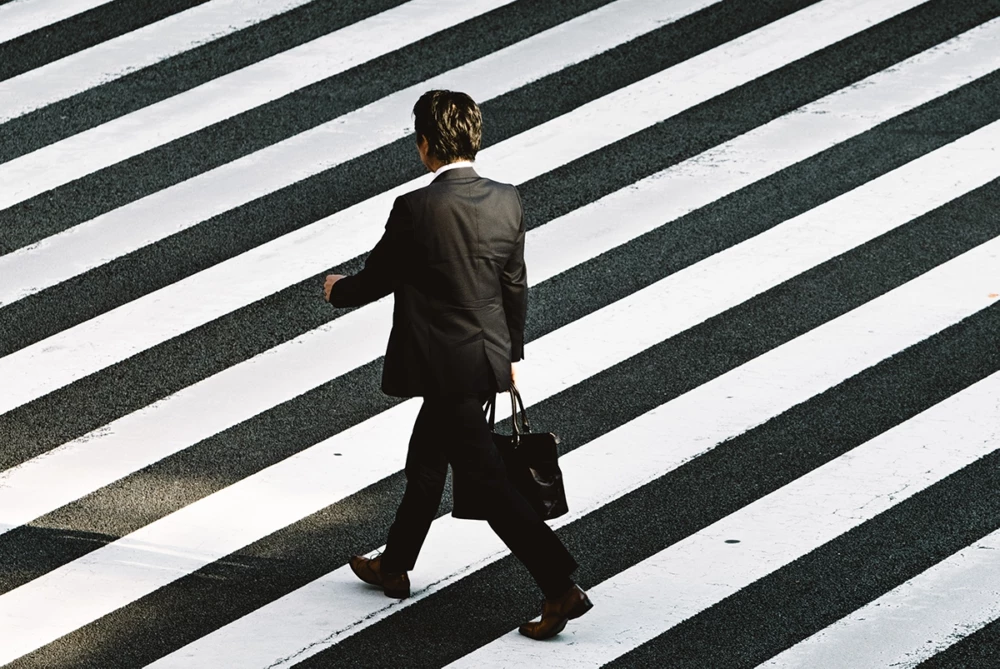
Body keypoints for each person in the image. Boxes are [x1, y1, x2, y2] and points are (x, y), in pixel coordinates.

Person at [324, 90, 591, 640]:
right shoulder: (507, 201)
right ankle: (394, 563)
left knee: (489, 485)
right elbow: (513, 285)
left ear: (425, 146)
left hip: (440, 365)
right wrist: (510, 354)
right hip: (483, 358)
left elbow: (376, 280)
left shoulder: (417, 209)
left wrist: (334, 290)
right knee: (426, 460)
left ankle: (560, 586)